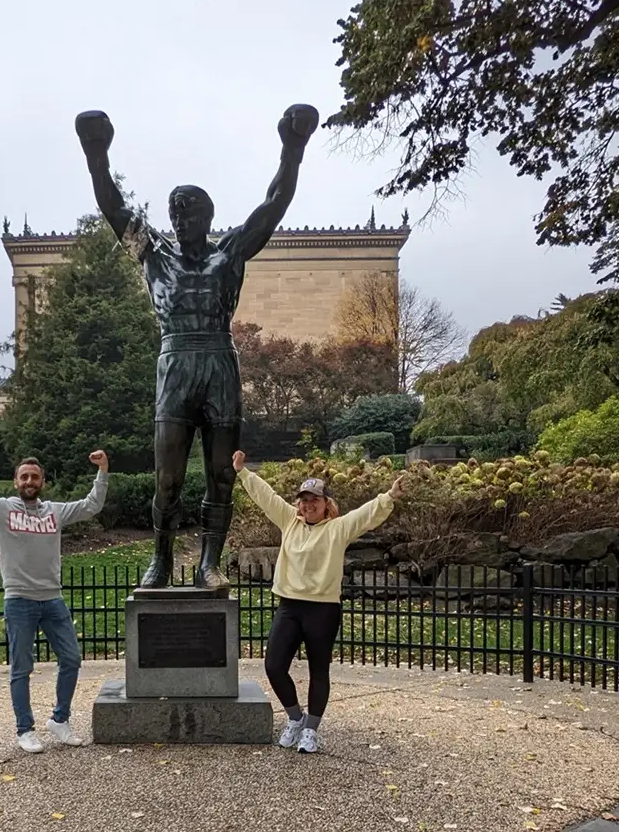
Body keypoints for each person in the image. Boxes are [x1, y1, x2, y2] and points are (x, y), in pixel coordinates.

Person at [75, 103, 318, 589]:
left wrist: (293, 148)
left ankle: (208, 564)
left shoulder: (230, 251)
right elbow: (112, 206)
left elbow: (274, 204)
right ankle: (161, 561)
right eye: (174, 213)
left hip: (219, 364)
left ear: (207, 216)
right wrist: (95, 152)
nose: (179, 220)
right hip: (176, 362)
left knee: (220, 476)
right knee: (168, 478)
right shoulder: (153, 253)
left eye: (187, 212)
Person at [0, 434, 109, 753]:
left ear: (42, 481)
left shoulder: (55, 512)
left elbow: (91, 506)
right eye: (24, 476)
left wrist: (102, 471)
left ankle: (59, 720)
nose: (29, 481)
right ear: (16, 481)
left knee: (72, 659)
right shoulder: (1, 510)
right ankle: (25, 729)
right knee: (22, 667)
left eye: (34, 476)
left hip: (53, 599)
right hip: (18, 599)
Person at [232, 449, 405, 754]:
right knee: (273, 665)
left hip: (323, 609)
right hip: (289, 605)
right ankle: (296, 718)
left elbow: (364, 515)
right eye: (303, 499)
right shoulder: (289, 521)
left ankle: (311, 729)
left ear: (326, 504)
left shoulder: (337, 529)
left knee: (318, 671)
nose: (308, 504)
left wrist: (389, 496)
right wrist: (243, 472)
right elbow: (266, 496)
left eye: (314, 499)